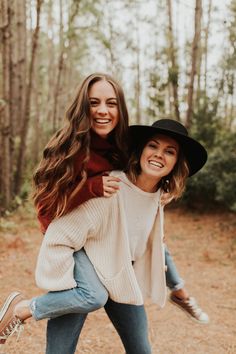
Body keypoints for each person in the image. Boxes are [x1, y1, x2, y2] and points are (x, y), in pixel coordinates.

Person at [0, 119, 208, 353]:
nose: (159, 155)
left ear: (176, 163)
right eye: (153, 146)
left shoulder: (158, 196)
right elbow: (63, 231)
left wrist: (175, 285)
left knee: (141, 349)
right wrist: (61, 278)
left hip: (119, 273)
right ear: (140, 151)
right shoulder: (112, 185)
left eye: (169, 151)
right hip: (82, 268)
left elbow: (151, 242)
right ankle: (21, 309)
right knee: (66, 340)